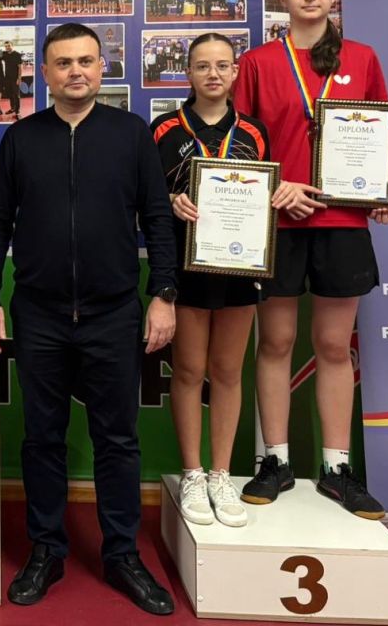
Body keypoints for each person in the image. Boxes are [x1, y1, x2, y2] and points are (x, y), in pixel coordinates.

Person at [0, 23, 177, 614]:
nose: (76, 72)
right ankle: (46, 549)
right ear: (44, 73)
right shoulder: (21, 137)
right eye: (63, 63)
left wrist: (163, 293)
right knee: (42, 438)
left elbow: (158, 217)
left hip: (112, 312)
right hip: (37, 313)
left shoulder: (130, 133)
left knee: (117, 439)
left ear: (101, 67)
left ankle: (122, 554)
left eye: (86, 61)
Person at [234, 0, 388, 519]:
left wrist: (380, 192)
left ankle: (337, 469)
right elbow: (242, 145)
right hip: (277, 221)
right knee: (275, 344)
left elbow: (376, 136)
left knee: (333, 346)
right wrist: (277, 186)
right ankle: (274, 461)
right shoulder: (257, 62)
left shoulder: (362, 57)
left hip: (341, 221)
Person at [151, 33, 271, 528]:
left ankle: (221, 474)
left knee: (227, 371)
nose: (213, 74)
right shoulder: (164, 130)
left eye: (223, 65)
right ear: (188, 72)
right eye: (203, 66)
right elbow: (146, 200)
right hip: (185, 266)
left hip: (239, 266)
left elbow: (264, 196)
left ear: (236, 72)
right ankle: (193, 472)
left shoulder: (255, 132)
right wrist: (170, 201)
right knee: (188, 370)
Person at [0, 40, 23, 118]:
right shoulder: (4, 54)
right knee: (10, 94)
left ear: (12, 45)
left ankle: (17, 112)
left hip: (15, 78)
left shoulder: (17, 54)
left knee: (16, 95)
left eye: (9, 46)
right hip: (7, 78)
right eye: (6, 46)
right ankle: (12, 108)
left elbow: (20, 67)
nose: (7, 47)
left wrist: (19, 78)